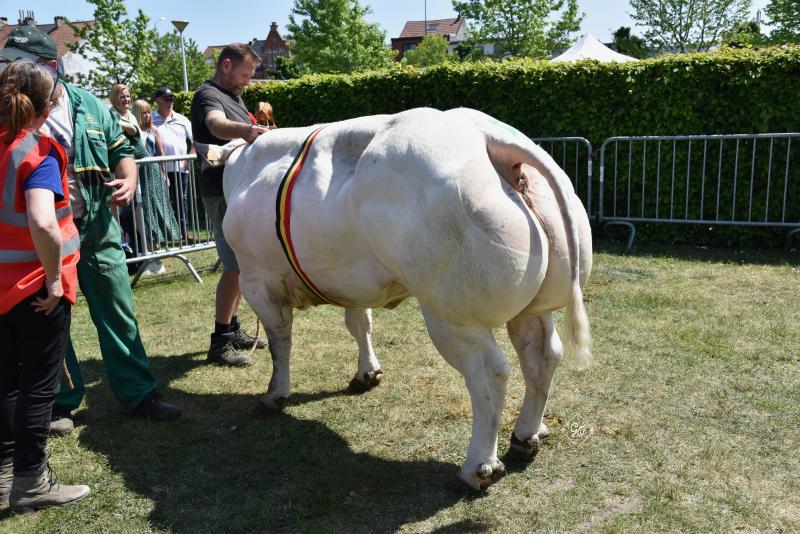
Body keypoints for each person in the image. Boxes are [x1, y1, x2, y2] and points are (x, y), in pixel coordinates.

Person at [0, 26, 181, 436]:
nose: (10, 70)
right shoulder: (9, 112)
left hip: (98, 230)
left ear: (51, 65)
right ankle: (61, 403)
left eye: (17, 62)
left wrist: (130, 177)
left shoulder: (89, 105)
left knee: (119, 311)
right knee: (52, 323)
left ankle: (139, 394)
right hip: (42, 240)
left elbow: (123, 150)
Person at [0, 60, 90, 513]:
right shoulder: (38, 150)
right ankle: (31, 483)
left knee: (6, 381)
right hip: (36, 287)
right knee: (38, 384)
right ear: (48, 103)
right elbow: (41, 221)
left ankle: (4, 475)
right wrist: (55, 278)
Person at [191, 44, 268, 366]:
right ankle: (220, 342)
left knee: (241, 264)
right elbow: (215, 125)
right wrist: (250, 130)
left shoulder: (235, 97)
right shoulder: (208, 95)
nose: (248, 81)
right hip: (219, 189)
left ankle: (233, 328)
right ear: (226, 65)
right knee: (234, 265)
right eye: (244, 74)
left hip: (235, 187)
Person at [131, 98, 181, 259]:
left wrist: (165, 174)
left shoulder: (154, 130)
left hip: (155, 174)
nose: (147, 115)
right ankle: (151, 245)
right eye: (143, 113)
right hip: (140, 175)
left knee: (160, 207)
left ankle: (160, 242)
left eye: (148, 112)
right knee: (145, 209)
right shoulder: (133, 132)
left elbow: (161, 154)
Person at [153, 87, 194, 242]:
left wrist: (188, 160)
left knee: (181, 200)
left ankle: (184, 231)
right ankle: (166, 233)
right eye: (167, 99)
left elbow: (195, 140)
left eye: (172, 99)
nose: (170, 102)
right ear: (157, 101)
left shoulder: (182, 119)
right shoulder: (150, 119)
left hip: (181, 168)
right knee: (162, 200)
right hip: (158, 169)